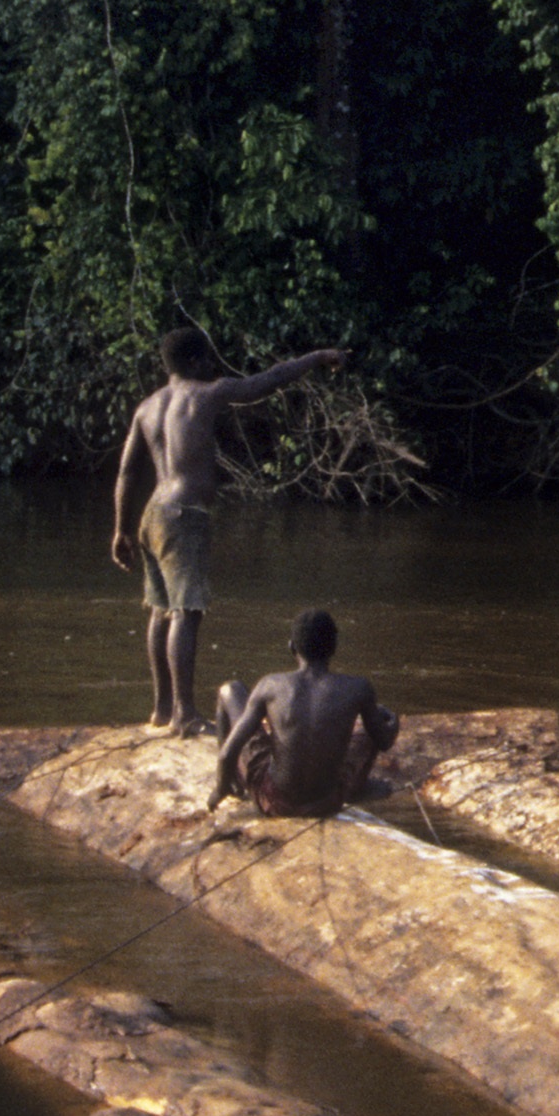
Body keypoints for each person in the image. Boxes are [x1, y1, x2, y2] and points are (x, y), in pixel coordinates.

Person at [109, 327, 347, 734]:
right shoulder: (207, 393)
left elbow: (128, 471)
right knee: (186, 611)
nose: (212, 366)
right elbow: (267, 380)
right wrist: (319, 355)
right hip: (184, 513)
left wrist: (121, 531)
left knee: (161, 611)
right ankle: (184, 714)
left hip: (152, 513)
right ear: (194, 362)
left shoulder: (146, 408)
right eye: (206, 360)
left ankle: (162, 710)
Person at [211, 613, 399, 818]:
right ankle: (357, 787)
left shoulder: (271, 684)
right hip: (328, 803)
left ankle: (230, 784)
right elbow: (383, 741)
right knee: (375, 716)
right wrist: (392, 722)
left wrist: (219, 791)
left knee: (230, 689)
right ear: (333, 648)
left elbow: (227, 754)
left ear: (292, 647)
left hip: (274, 802)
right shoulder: (359, 688)